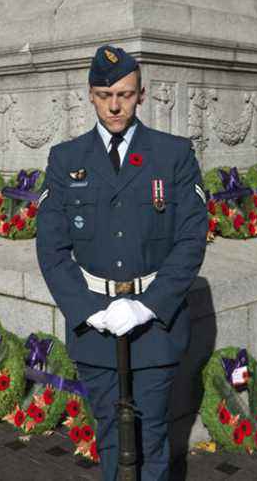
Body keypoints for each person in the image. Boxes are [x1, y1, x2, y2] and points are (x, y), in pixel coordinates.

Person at [36, 45, 208, 480]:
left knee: (151, 436)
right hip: (94, 324)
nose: (115, 105)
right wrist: (88, 310)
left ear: (141, 95)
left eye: (125, 94)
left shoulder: (173, 155)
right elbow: (51, 249)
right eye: (104, 94)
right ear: (90, 96)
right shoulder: (66, 159)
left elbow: (191, 239)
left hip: (154, 323)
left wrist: (147, 305)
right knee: (109, 433)